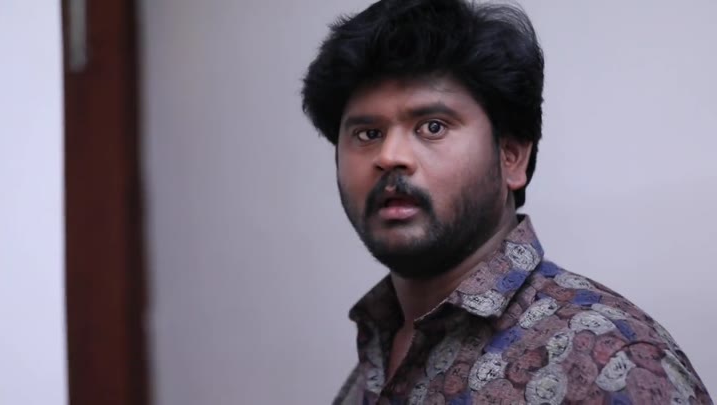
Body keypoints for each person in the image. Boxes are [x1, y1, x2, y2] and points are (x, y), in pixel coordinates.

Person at [300, 0, 712, 403]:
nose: (390, 156)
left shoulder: (607, 365)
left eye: (432, 126)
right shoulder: (377, 355)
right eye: (368, 134)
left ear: (511, 157)